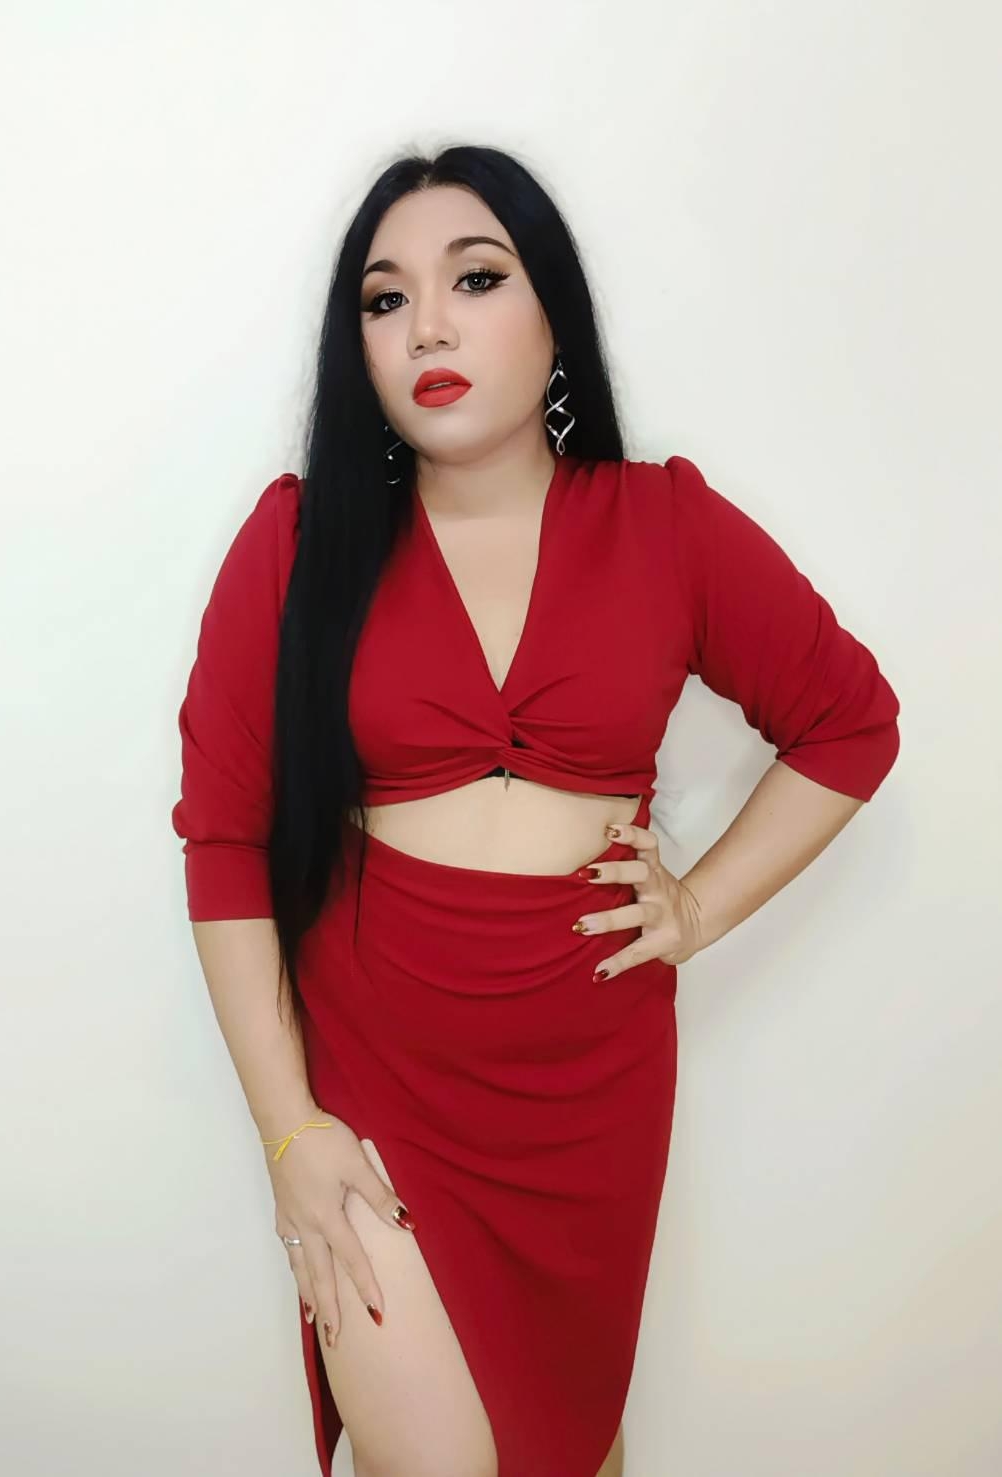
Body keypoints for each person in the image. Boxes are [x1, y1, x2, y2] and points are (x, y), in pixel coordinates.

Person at [170, 144, 900, 1477]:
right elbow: (223, 844)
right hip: (380, 1091)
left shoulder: (668, 524)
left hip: (589, 1097)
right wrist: (291, 1131)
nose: (426, 326)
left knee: (571, 1453)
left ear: (555, 314)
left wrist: (697, 907)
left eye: (476, 279)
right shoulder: (297, 542)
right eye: (385, 299)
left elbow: (852, 723)